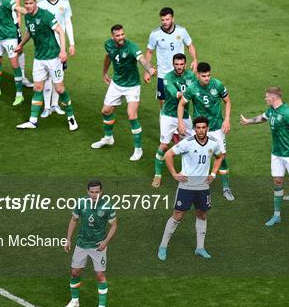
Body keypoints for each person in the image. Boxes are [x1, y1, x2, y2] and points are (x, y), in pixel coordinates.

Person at [240, 87, 289, 229]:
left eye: (266, 97)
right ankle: (276, 215)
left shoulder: (287, 112)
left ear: (273, 97)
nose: (265, 99)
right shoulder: (271, 110)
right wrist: (248, 121)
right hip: (276, 154)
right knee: (277, 182)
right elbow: (262, 118)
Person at [157, 116, 223, 260]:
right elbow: (168, 155)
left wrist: (213, 174)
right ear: (194, 129)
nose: (200, 130)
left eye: (203, 127)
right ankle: (163, 246)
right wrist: (174, 174)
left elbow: (219, 157)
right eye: (198, 128)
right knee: (177, 216)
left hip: (203, 187)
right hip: (186, 186)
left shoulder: (214, 143)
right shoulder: (187, 143)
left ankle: (200, 248)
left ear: (207, 128)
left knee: (202, 215)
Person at [91, 24, 156, 161]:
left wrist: (149, 69)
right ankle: (108, 138)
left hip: (132, 85)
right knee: (106, 111)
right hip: (117, 83)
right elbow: (108, 57)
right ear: (112, 36)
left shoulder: (132, 47)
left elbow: (142, 60)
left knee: (132, 116)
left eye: (122, 34)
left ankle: (138, 149)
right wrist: (104, 73)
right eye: (118, 35)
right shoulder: (108, 44)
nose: (121, 37)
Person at [15, 0, 78, 131]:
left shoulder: (46, 15)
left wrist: (63, 51)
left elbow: (61, 32)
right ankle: (33, 121)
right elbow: (29, 32)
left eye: (31, 3)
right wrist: (21, 45)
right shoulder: (28, 17)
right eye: (26, 4)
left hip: (53, 58)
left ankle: (71, 117)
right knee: (37, 88)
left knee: (60, 89)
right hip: (39, 58)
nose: (29, 6)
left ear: (36, 2)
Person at [177, 62, 235, 201]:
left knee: (221, 157)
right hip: (199, 129)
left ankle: (226, 188)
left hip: (216, 128)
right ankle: (192, 183)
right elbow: (181, 104)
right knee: (194, 154)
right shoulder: (192, 88)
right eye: (204, 76)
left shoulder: (218, 85)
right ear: (197, 75)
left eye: (209, 75)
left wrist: (227, 119)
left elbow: (227, 101)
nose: (207, 78)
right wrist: (180, 122)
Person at [63, 180, 118, 307]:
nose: (94, 195)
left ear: (101, 191)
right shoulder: (81, 202)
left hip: (98, 246)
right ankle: (75, 301)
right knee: (75, 272)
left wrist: (105, 242)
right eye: (91, 192)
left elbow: (114, 226)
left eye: (97, 192)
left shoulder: (107, 206)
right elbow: (73, 220)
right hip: (82, 243)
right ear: (87, 192)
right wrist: (68, 239)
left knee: (100, 275)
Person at [152, 53, 196, 188]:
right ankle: (157, 175)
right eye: (176, 64)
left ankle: (189, 172)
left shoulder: (191, 76)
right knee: (164, 145)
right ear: (173, 64)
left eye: (181, 64)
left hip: (185, 116)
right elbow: (173, 92)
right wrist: (186, 94)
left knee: (193, 144)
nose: (179, 67)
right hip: (169, 116)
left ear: (185, 64)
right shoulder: (167, 78)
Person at [37, 0, 76, 118]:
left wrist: (71, 43)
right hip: (45, 46)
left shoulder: (65, 3)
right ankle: (47, 106)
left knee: (58, 77)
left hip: (60, 47)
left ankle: (55, 104)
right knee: (47, 76)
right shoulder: (40, 3)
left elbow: (68, 23)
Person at [144, 7, 197, 108]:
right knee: (164, 105)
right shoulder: (155, 34)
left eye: (167, 19)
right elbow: (149, 52)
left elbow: (190, 45)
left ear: (173, 19)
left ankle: (180, 123)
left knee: (182, 104)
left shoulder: (181, 31)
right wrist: (147, 69)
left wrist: (195, 60)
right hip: (163, 75)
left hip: (180, 74)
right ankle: (164, 123)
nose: (165, 22)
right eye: (162, 20)